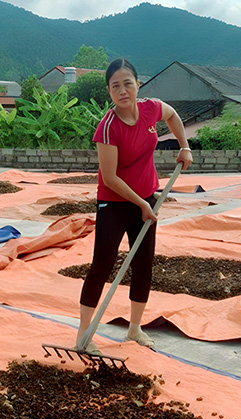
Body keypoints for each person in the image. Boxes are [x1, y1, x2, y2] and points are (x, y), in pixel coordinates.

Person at [76, 58, 193, 354]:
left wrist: (184, 145)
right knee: (101, 265)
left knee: (143, 265)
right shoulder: (107, 128)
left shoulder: (151, 109)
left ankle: (134, 329)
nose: (123, 90)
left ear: (138, 85)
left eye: (128, 83)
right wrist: (141, 203)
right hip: (114, 204)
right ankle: (83, 335)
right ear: (109, 91)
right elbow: (111, 177)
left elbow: (174, 115)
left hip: (146, 199)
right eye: (116, 86)